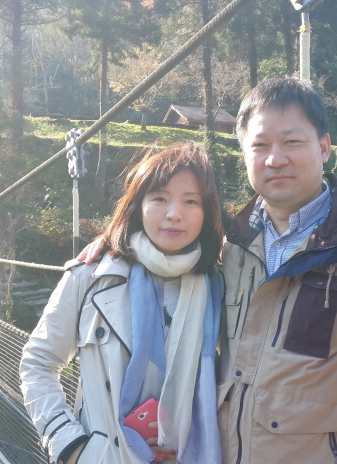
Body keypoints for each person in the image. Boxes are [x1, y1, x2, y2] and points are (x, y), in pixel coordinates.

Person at [81, 77, 337, 463]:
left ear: (324, 147)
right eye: (260, 146)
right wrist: (121, 245)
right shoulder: (233, 243)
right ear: (244, 153)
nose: (275, 159)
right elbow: (169, 243)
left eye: (292, 142)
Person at [20, 142, 224, 464]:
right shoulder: (91, 277)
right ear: (138, 205)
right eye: (159, 198)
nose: (174, 214)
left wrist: (190, 444)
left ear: (207, 213)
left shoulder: (222, 286)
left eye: (191, 201)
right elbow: (38, 362)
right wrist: (71, 446)